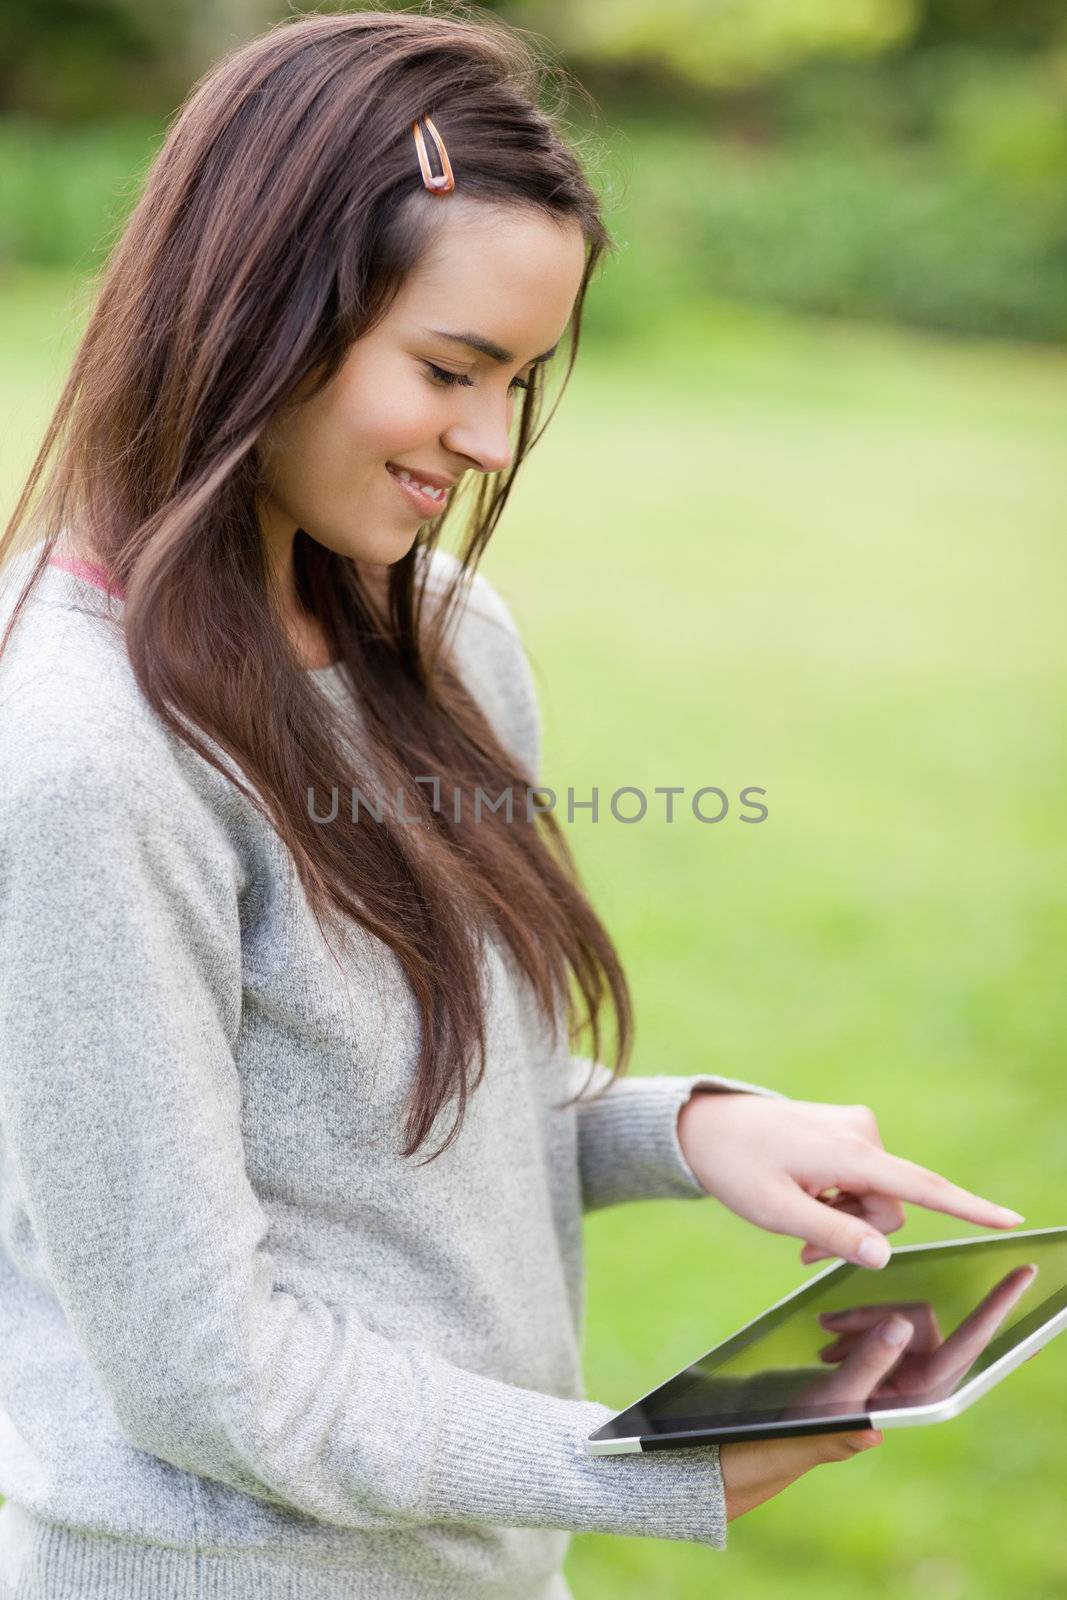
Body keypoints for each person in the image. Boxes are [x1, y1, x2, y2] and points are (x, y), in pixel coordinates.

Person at [0, 10, 1024, 1599]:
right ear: (257, 310)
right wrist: (635, 1466)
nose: (486, 444)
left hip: (468, 1571)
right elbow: (204, 1373)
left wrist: (686, 1127)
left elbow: (372, 1109)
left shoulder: (448, 633)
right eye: (449, 370)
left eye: (520, 381)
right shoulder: (83, 758)